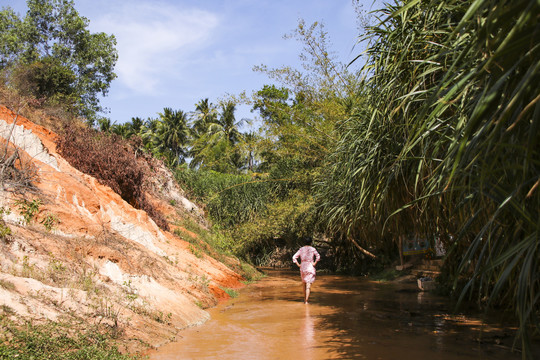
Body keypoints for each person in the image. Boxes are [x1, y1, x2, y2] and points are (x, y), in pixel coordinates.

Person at [292, 237, 320, 304]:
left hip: (303, 267)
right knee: (308, 285)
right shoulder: (313, 249)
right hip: (310, 266)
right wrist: (314, 263)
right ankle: (306, 301)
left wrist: (298, 264)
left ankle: (305, 300)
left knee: (304, 284)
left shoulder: (301, 249)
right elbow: (318, 256)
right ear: (311, 242)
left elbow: (294, 257)